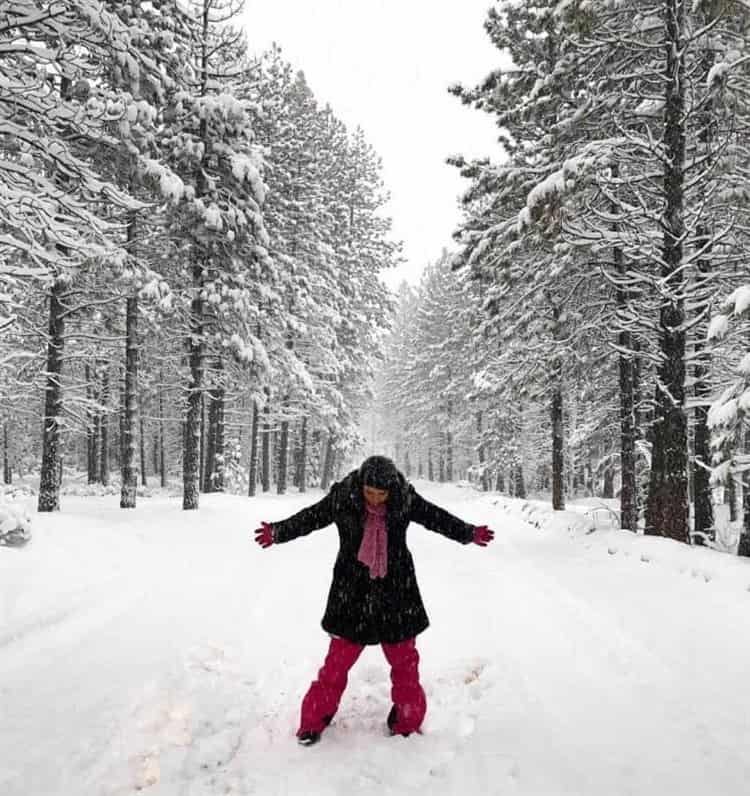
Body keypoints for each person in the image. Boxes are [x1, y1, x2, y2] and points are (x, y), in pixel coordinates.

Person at [253, 454, 494, 746]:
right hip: (352, 594)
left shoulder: (405, 500)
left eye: (382, 493)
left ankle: (407, 722)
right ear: (361, 485)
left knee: (406, 666)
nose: (376, 499)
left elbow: (436, 517)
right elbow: (311, 517)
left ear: (391, 489)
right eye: (370, 492)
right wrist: (279, 531)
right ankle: (312, 722)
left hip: (397, 593)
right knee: (335, 666)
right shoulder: (343, 497)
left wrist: (468, 533)